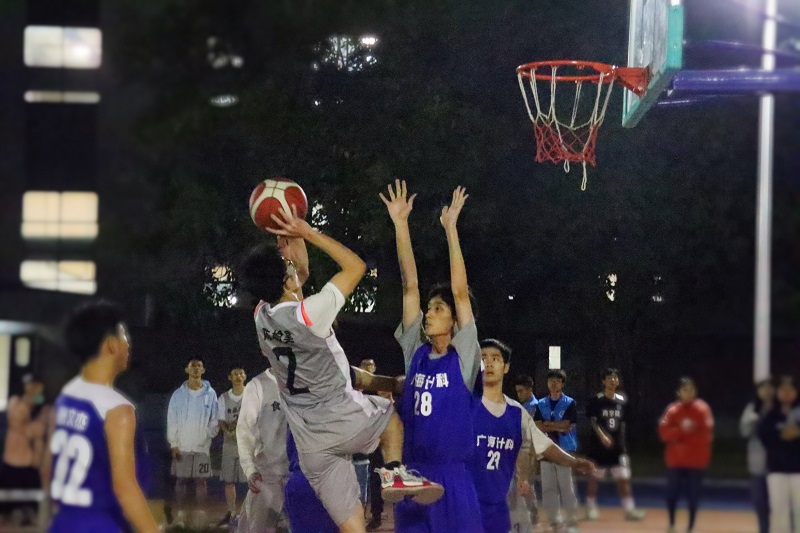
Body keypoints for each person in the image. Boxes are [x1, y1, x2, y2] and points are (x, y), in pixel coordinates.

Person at [239, 205, 441, 533]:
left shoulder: (261, 317)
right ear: (286, 279)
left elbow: (298, 274)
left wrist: (289, 237)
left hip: (310, 445)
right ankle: (393, 473)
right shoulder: (310, 314)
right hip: (339, 417)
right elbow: (355, 266)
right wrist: (308, 233)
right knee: (389, 417)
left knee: (353, 526)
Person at [381, 180, 483, 533]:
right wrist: (400, 224)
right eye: (429, 308)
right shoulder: (416, 353)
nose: (429, 313)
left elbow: (460, 292)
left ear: (454, 321)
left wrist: (451, 229)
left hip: (452, 477)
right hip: (414, 474)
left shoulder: (464, 357)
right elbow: (409, 285)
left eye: (438, 308)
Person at [48, 301, 159, 533]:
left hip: (63, 523)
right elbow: (125, 488)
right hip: (100, 524)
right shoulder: (116, 409)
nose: (128, 344)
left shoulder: (67, 394)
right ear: (111, 345)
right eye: (124, 335)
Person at [468, 339, 595, 533]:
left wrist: (574, 462)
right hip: (468, 504)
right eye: (483, 358)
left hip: (504, 506)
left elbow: (544, 444)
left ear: (506, 367)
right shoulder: (465, 406)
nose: (489, 363)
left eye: (495, 358)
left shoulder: (517, 413)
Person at [284, 366, 404, 533]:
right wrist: (395, 385)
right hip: (326, 483)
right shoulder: (337, 406)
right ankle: (395, 473)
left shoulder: (298, 394)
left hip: (297, 485)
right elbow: (364, 381)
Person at [584, 368, 645, 521]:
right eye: (609, 378)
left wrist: (622, 442)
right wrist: (602, 436)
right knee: (595, 478)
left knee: (623, 478)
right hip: (599, 447)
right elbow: (593, 421)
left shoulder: (622, 400)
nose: (612, 380)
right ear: (603, 381)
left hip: (618, 448)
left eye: (615, 377)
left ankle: (629, 510)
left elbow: (623, 423)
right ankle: (591, 508)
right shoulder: (596, 400)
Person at [166, 357, 219, 528]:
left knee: (201, 481)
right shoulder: (178, 395)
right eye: (193, 365)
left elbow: (215, 418)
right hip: (183, 446)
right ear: (187, 370)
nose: (196, 368)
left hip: (202, 447)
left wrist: (208, 434)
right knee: (181, 480)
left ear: (203, 370)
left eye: (199, 366)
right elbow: (172, 419)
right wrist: (174, 443)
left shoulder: (211, 394)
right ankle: (181, 515)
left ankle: (200, 514)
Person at [236, 367, 290, 533]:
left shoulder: (307, 380)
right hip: (267, 476)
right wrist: (250, 470)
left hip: (300, 477)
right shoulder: (258, 385)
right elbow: (245, 431)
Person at [658, 377, 714, 533]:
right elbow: (664, 433)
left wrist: (680, 436)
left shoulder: (702, 410)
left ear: (695, 391)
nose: (688, 393)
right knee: (671, 494)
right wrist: (682, 430)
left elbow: (706, 436)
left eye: (691, 390)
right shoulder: (672, 410)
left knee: (693, 495)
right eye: (685, 390)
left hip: (696, 462)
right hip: (675, 461)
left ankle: (691, 527)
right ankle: (671, 524)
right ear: (678, 392)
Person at [533, 369, 580, 533]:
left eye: (557, 381)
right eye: (551, 381)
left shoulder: (570, 403)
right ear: (547, 384)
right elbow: (538, 426)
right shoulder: (540, 403)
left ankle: (571, 521)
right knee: (548, 488)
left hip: (564, 449)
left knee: (566, 486)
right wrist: (557, 426)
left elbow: (567, 425)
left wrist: (548, 425)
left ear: (562, 384)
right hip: (546, 449)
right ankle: (555, 521)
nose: (554, 384)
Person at [0, 374, 50, 526]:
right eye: (29, 385)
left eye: (35, 385)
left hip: (32, 463)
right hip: (12, 461)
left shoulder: (45, 407)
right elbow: (16, 420)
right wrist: (28, 400)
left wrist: (26, 429)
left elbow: (39, 430)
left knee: (31, 506)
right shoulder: (15, 401)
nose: (32, 388)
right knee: (6, 505)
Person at [758, 375, 800, 533]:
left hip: (799, 471)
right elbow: (763, 436)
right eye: (783, 390)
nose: (787, 393)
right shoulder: (771, 414)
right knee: (779, 511)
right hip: (776, 469)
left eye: (790, 389)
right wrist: (781, 435)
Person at [354, 358, 388, 532]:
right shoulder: (355, 390)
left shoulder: (380, 388)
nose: (369, 368)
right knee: (361, 484)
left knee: (377, 480)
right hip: (359, 447)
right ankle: (363, 517)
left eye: (371, 365)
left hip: (379, 444)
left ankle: (376, 515)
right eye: (366, 366)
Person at [740, 378, 775, 533]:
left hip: (780, 466)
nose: (766, 392)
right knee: (760, 503)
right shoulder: (752, 408)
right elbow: (744, 432)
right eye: (763, 389)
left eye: (769, 388)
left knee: (781, 504)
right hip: (757, 465)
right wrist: (753, 421)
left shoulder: (780, 408)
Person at [217, 365, 248, 528]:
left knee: (251, 481)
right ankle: (232, 513)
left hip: (247, 444)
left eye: (241, 374)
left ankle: (249, 514)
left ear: (245, 376)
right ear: (230, 378)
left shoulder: (251, 395)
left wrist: (237, 427)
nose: (238, 377)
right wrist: (227, 431)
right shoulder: (223, 397)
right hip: (229, 444)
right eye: (234, 374)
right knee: (229, 481)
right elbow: (221, 419)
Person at [512, 374, 540, 530]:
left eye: (521, 391)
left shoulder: (536, 407)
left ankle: (532, 515)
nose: (519, 394)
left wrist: (533, 456)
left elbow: (537, 433)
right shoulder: (519, 407)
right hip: (519, 450)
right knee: (521, 483)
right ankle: (528, 515)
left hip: (531, 450)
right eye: (517, 391)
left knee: (527, 482)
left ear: (530, 389)